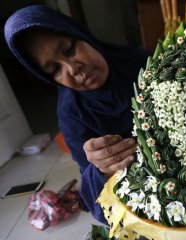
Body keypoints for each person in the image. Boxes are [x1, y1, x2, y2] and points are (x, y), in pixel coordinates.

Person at [4, 5, 150, 224]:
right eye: (54, 70)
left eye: (69, 50)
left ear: (80, 34)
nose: (72, 69)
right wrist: (102, 170)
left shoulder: (146, 65)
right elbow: (97, 203)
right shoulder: (72, 116)